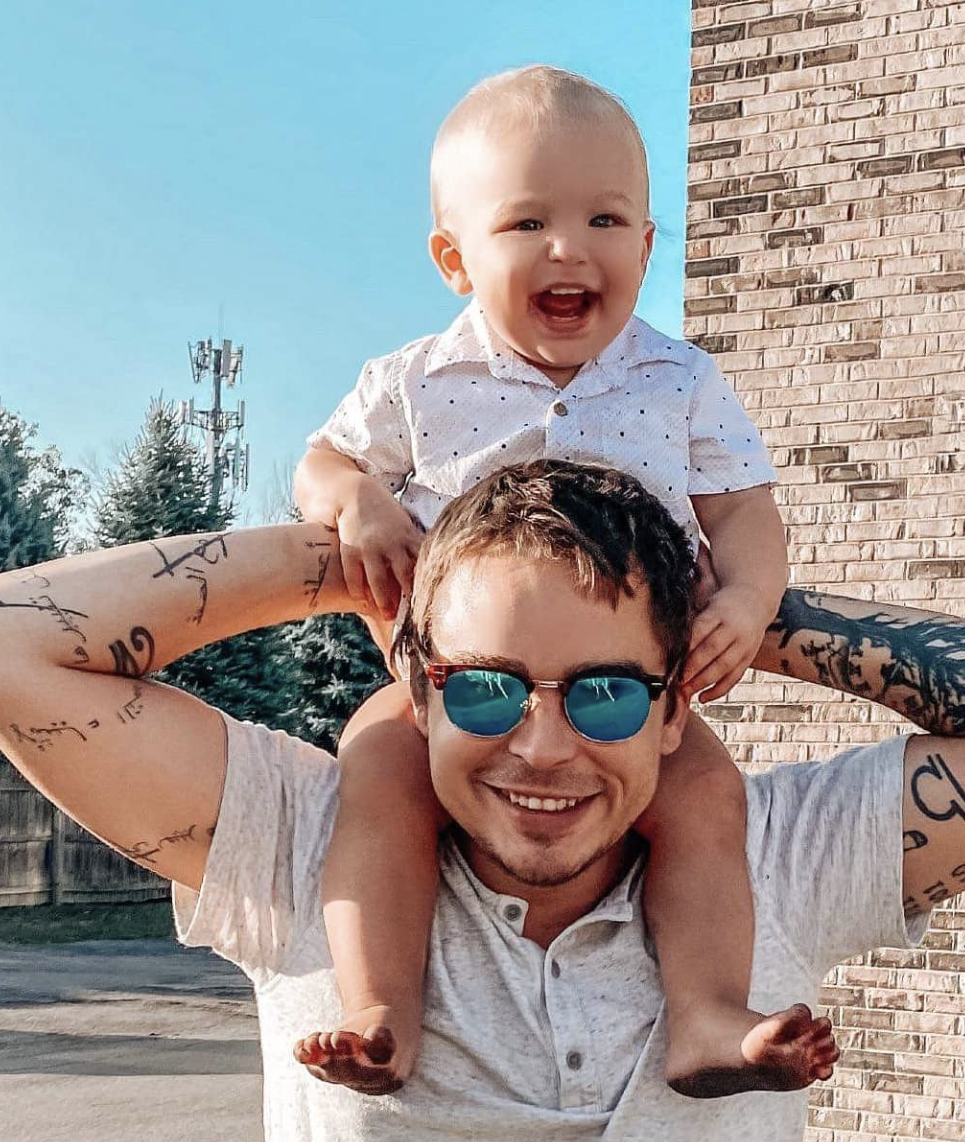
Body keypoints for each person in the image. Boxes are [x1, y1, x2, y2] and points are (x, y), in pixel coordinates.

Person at [3, 459, 965, 1142]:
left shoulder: (775, 857)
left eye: (609, 691)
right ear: (420, 690)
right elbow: (15, 646)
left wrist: (741, 609)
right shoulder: (302, 843)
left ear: (677, 707)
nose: (542, 747)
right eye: (484, 686)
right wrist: (359, 566)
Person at [293, 64, 794, 1098]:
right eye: (527, 222)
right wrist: (358, 501)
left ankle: (706, 1013)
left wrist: (747, 599)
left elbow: (745, 511)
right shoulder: (417, 380)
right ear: (453, 257)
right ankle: (381, 1009)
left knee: (707, 796)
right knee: (377, 775)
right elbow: (320, 464)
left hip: (620, 694)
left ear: (645, 248)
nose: (570, 247)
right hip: (456, 687)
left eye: (605, 219)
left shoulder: (681, 379)